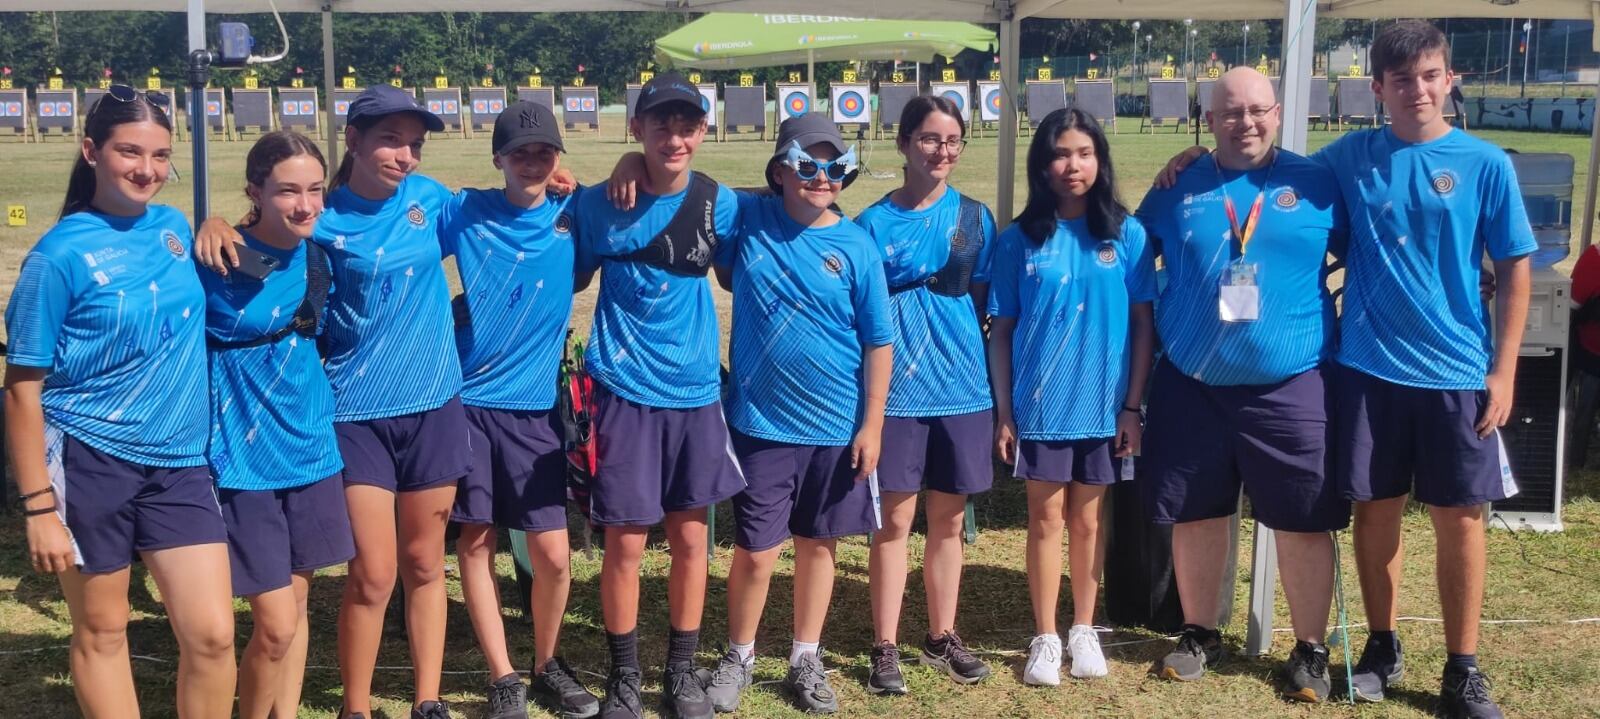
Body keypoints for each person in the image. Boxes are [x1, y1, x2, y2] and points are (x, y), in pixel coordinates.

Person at [1158, 21, 1533, 718]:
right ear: (1377, 89)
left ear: (1449, 80)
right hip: (1365, 371)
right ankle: (1382, 646)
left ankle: (1463, 667)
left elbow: (1515, 270)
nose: (1416, 90)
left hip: (1456, 374)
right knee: (1373, 516)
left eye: (1429, 76)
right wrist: (1192, 158)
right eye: (1401, 80)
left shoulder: (1484, 164)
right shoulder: (1348, 160)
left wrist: (1504, 370)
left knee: (1461, 521)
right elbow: (1250, 171)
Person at [198, 83, 471, 719]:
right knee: (374, 575)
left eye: (414, 145)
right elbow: (263, 236)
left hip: (434, 403)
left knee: (427, 564)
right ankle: (356, 705)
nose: (404, 156)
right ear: (351, 139)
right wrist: (213, 221)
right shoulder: (322, 218)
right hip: (353, 414)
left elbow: (513, 204)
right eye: (389, 140)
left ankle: (427, 698)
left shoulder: (429, 201)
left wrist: (573, 173)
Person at [5, 85, 236, 718]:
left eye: (160, 156)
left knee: (214, 636)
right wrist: (38, 507)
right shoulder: (57, 257)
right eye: (129, 152)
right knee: (105, 631)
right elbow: (22, 390)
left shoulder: (170, 226)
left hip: (180, 463)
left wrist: (217, 223)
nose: (147, 169)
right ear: (90, 151)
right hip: (89, 461)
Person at [1134, 69, 1348, 702]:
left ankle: (1309, 649)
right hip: (1193, 383)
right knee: (1197, 513)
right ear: (1208, 118)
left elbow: (1372, 254)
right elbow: (1132, 257)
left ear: (1277, 113)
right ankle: (1199, 632)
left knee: (1304, 519)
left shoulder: (1316, 182)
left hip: (1291, 382)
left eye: (1257, 111)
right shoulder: (1177, 186)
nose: (1245, 123)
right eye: (1230, 113)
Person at [701, 114, 893, 715]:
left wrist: (873, 423)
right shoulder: (748, 218)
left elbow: (878, 340)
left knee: (819, 543)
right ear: (779, 168)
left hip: (837, 426)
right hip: (761, 423)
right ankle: (740, 654)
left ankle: (805, 655)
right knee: (756, 551)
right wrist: (629, 165)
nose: (822, 177)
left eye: (835, 166)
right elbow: (692, 188)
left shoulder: (857, 243)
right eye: (806, 165)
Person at [573, 71, 746, 719]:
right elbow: (556, 255)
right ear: (636, 127)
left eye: (687, 124)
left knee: (691, 541)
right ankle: (624, 675)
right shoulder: (596, 203)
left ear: (703, 131)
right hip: (621, 394)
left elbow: (797, 211)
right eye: (660, 124)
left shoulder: (720, 202)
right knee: (623, 543)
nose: (674, 136)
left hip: (696, 395)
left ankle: (681, 671)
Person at [987, 107, 1156, 687]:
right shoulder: (1017, 240)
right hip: (1040, 407)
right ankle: (1044, 636)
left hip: (1105, 407)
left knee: (1088, 522)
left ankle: (1083, 628)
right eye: (1060, 153)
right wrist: (1004, 412)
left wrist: (1132, 406)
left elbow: (1142, 327)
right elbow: (1002, 331)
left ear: (1101, 161)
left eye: (1084, 153)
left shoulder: (1127, 235)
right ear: (1042, 165)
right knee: (1044, 521)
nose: (1072, 165)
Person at [442, 101, 599, 719]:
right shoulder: (465, 209)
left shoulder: (573, 211)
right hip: (469, 403)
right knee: (476, 540)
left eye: (544, 151)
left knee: (555, 553)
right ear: (498, 158)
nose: (533, 162)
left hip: (535, 411)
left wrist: (580, 185)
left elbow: (635, 196)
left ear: (559, 157)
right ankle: (503, 676)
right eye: (520, 152)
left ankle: (546, 662)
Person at [201, 130, 353, 719]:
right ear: (255, 192)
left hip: (312, 449)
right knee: (275, 623)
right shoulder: (213, 259)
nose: (305, 204)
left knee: (298, 609)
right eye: (288, 190)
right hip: (243, 461)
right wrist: (211, 222)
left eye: (315, 189)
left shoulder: (319, 257)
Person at [853, 95, 997, 694]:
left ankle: (941, 635)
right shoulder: (870, 224)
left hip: (963, 390)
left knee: (949, 518)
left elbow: (984, 300)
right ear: (904, 143)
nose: (942, 151)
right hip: (898, 397)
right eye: (930, 139)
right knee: (894, 521)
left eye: (952, 141)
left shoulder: (976, 217)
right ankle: (884, 645)